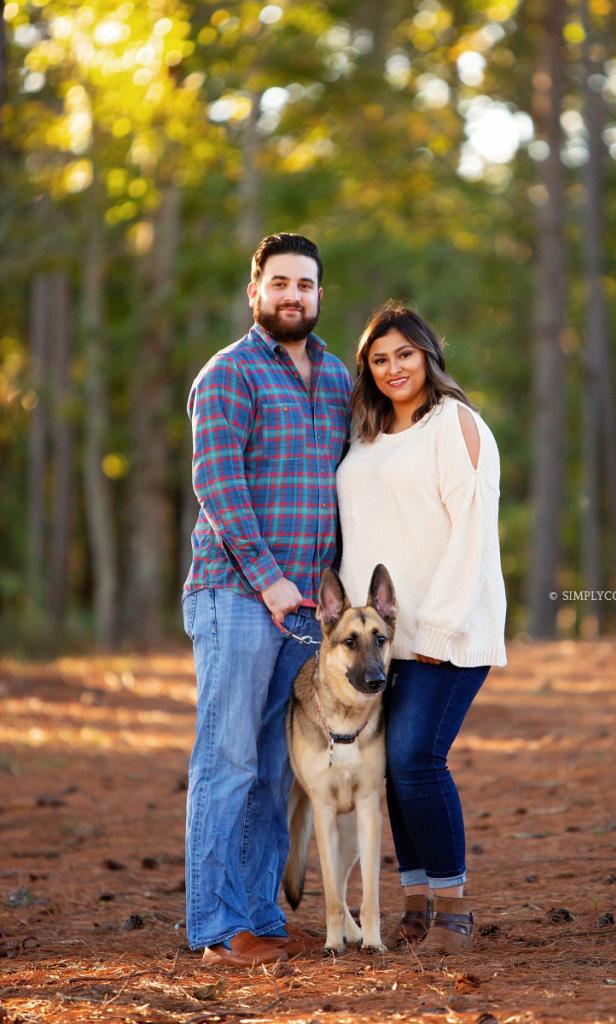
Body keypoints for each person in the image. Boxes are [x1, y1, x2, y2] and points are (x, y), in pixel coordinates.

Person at [182, 233, 352, 967]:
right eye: (279, 283)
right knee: (228, 762)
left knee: (276, 768)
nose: (293, 296)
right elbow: (218, 486)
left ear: (320, 295)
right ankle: (218, 929)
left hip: (308, 615)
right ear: (256, 290)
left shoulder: (342, 378)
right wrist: (268, 576)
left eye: (305, 285)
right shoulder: (228, 374)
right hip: (237, 595)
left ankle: (261, 919)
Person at [336, 301, 507, 953]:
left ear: (429, 356)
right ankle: (415, 906)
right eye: (379, 360)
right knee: (385, 769)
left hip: (448, 633)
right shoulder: (366, 434)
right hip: (377, 643)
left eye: (404, 354)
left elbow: (471, 533)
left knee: (415, 759)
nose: (393, 368)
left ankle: (455, 912)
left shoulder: (456, 424)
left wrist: (435, 629)